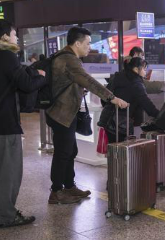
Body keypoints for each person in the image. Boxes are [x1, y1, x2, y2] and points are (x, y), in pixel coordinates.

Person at [46, 27, 129, 205]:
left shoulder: (67, 57)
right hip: (61, 113)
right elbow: (89, 81)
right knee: (63, 152)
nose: (89, 47)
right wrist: (112, 98)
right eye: (87, 43)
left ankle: (69, 186)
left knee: (70, 151)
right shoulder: (69, 59)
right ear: (77, 43)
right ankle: (56, 191)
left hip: (65, 112)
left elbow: (72, 83)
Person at [0, 20, 47, 228]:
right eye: (14, 33)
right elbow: (26, 85)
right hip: (5, 123)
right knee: (8, 173)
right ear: (5, 37)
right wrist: (42, 76)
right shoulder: (7, 56)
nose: (17, 37)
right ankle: (7, 216)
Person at [100, 57, 160, 143]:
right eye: (144, 69)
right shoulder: (136, 83)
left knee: (113, 150)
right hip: (120, 124)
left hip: (107, 119)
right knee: (123, 151)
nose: (145, 72)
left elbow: (105, 96)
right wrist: (160, 116)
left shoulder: (118, 76)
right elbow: (147, 104)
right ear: (136, 69)